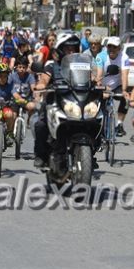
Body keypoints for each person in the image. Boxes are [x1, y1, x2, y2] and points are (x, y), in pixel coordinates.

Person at [33, 33, 82, 168]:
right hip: (55, 103)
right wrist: (42, 84)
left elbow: (93, 77)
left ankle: (90, 149)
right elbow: (44, 78)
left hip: (76, 104)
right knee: (41, 125)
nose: (71, 52)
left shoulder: (82, 66)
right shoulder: (51, 65)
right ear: (60, 50)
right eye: (67, 49)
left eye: (74, 49)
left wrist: (101, 85)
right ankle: (41, 155)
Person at [95, 36, 129, 137]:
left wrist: (124, 91)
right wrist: (103, 89)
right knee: (98, 105)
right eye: (109, 46)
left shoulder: (124, 57)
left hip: (117, 85)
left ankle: (119, 124)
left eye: (114, 47)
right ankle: (99, 128)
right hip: (104, 85)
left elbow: (124, 75)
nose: (112, 49)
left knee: (125, 98)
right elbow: (99, 75)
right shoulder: (100, 56)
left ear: (119, 48)